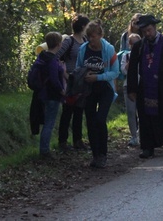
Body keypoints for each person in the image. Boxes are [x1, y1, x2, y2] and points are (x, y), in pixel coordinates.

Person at [127, 14, 163, 159]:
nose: (147, 34)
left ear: (155, 28)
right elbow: (132, 68)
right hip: (145, 87)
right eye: (144, 31)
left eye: (149, 30)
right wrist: (132, 89)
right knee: (145, 118)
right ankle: (147, 147)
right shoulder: (139, 47)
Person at [76, 21, 119, 168]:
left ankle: (103, 154)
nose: (91, 40)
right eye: (88, 37)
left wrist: (98, 77)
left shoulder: (108, 49)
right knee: (90, 120)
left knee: (100, 119)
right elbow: (78, 68)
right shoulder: (83, 49)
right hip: (89, 89)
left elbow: (115, 72)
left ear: (100, 35)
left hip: (105, 88)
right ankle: (95, 155)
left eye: (93, 37)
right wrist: (84, 75)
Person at [56, 14, 89, 151]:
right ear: (82, 26)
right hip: (70, 80)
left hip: (81, 81)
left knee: (79, 111)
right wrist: (64, 74)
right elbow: (56, 56)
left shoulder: (86, 40)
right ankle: (62, 141)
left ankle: (77, 140)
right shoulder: (69, 41)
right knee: (67, 112)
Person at [35, 32, 67, 157]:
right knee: (49, 123)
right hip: (52, 95)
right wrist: (62, 91)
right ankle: (44, 150)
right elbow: (54, 80)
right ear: (59, 44)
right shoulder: (52, 61)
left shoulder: (42, 57)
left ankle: (44, 148)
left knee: (47, 122)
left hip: (42, 93)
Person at [120, 33, 142, 147]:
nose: (134, 46)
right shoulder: (126, 56)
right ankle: (134, 136)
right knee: (131, 112)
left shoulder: (144, 55)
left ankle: (142, 135)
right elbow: (123, 71)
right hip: (128, 86)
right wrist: (130, 61)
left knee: (142, 112)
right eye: (132, 43)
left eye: (136, 43)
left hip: (142, 86)